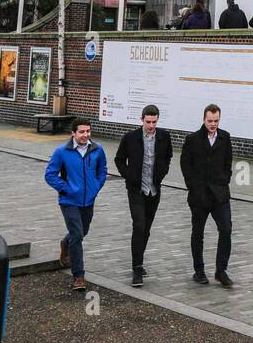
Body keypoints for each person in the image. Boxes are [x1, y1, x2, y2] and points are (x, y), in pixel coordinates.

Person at [43, 119, 108, 292]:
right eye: (81, 132)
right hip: (69, 201)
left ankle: (66, 243)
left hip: (89, 200)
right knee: (78, 235)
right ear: (73, 133)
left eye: (88, 131)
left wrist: (96, 186)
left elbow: (102, 169)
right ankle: (79, 276)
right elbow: (50, 174)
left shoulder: (97, 149)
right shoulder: (62, 152)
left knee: (82, 231)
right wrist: (66, 189)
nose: (85, 135)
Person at [114, 105, 174, 287]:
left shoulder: (164, 136)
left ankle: (139, 259)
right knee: (139, 225)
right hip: (136, 190)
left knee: (146, 228)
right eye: (148, 122)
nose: (151, 125)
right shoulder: (130, 138)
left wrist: (162, 173)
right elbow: (119, 159)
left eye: (154, 122)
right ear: (142, 119)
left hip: (154, 190)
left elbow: (168, 157)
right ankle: (137, 267)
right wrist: (130, 176)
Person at [180, 104, 233, 287]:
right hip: (199, 196)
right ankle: (199, 270)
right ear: (204, 119)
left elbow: (228, 163)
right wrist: (194, 188)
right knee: (198, 233)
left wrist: (224, 180)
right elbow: (185, 166)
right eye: (210, 121)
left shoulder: (225, 137)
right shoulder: (193, 139)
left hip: (220, 194)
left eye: (216, 121)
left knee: (226, 229)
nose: (213, 124)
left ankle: (221, 270)